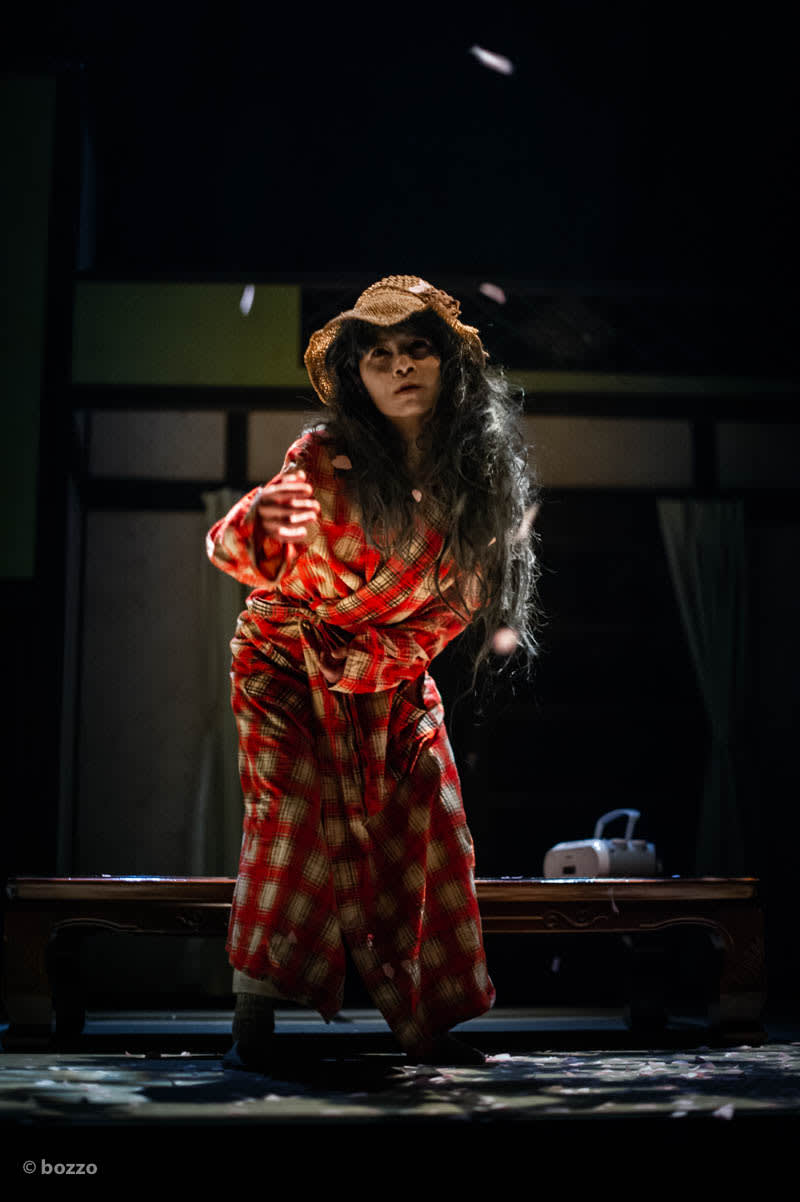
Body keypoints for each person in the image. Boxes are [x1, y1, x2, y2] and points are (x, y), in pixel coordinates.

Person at [206, 275, 540, 1071]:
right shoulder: (325, 458)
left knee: (433, 818)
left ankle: (430, 1019)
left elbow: (462, 602)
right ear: (357, 374)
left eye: (416, 348)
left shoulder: (479, 475)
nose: (399, 366)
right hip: (288, 662)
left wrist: (378, 660)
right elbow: (237, 547)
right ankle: (254, 1018)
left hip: (393, 671)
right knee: (291, 818)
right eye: (379, 354)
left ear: (446, 363)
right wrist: (268, 522)